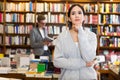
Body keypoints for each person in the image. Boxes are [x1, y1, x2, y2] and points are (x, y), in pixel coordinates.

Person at [53, 4, 97, 80]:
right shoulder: (62, 36)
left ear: (84, 17)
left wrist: (81, 32)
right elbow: (57, 61)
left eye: (79, 13)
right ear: (69, 18)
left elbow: (89, 58)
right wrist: (83, 63)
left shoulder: (91, 36)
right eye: (73, 13)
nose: (76, 15)